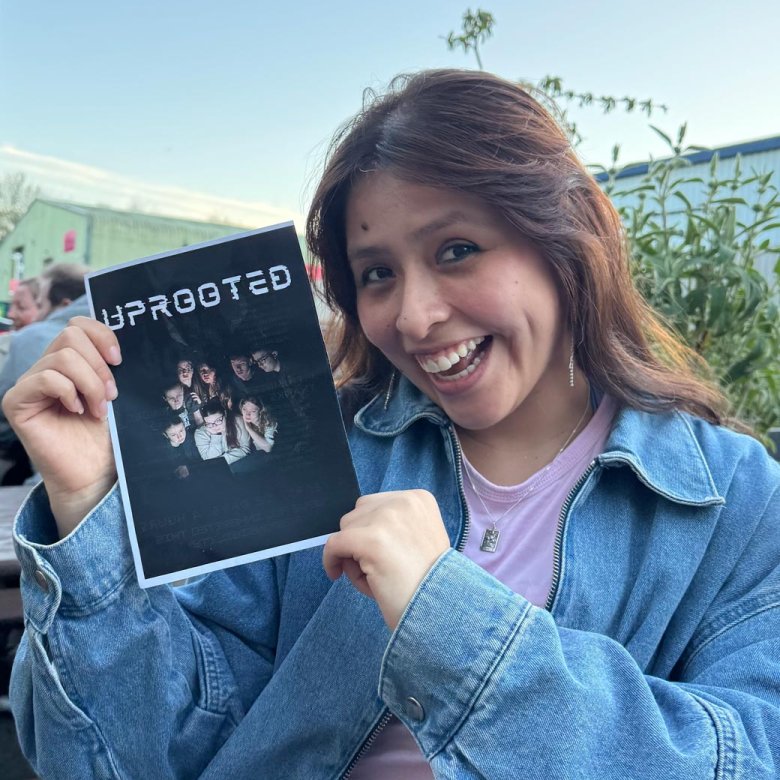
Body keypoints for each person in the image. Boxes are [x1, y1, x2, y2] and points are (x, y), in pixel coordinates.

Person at [3, 70, 779, 780]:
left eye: (458, 250)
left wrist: (448, 622)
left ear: (566, 240)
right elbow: (132, 755)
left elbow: (750, 754)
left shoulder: (736, 506)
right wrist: (89, 508)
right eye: (377, 273)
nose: (414, 316)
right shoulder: (305, 451)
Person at [0, 263, 89, 484]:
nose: (11, 314)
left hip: (44, 481)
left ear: (64, 305)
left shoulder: (30, 339)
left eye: (37, 305)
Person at [193, 398, 251, 464]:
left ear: (225, 414)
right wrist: (216, 436)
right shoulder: (200, 433)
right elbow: (209, 459)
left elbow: (245, 449)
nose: (215, 426)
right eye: (209, 423)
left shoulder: (237, 420)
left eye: (218, 420)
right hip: (219, 469)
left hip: (241, 463)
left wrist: (220, 461)